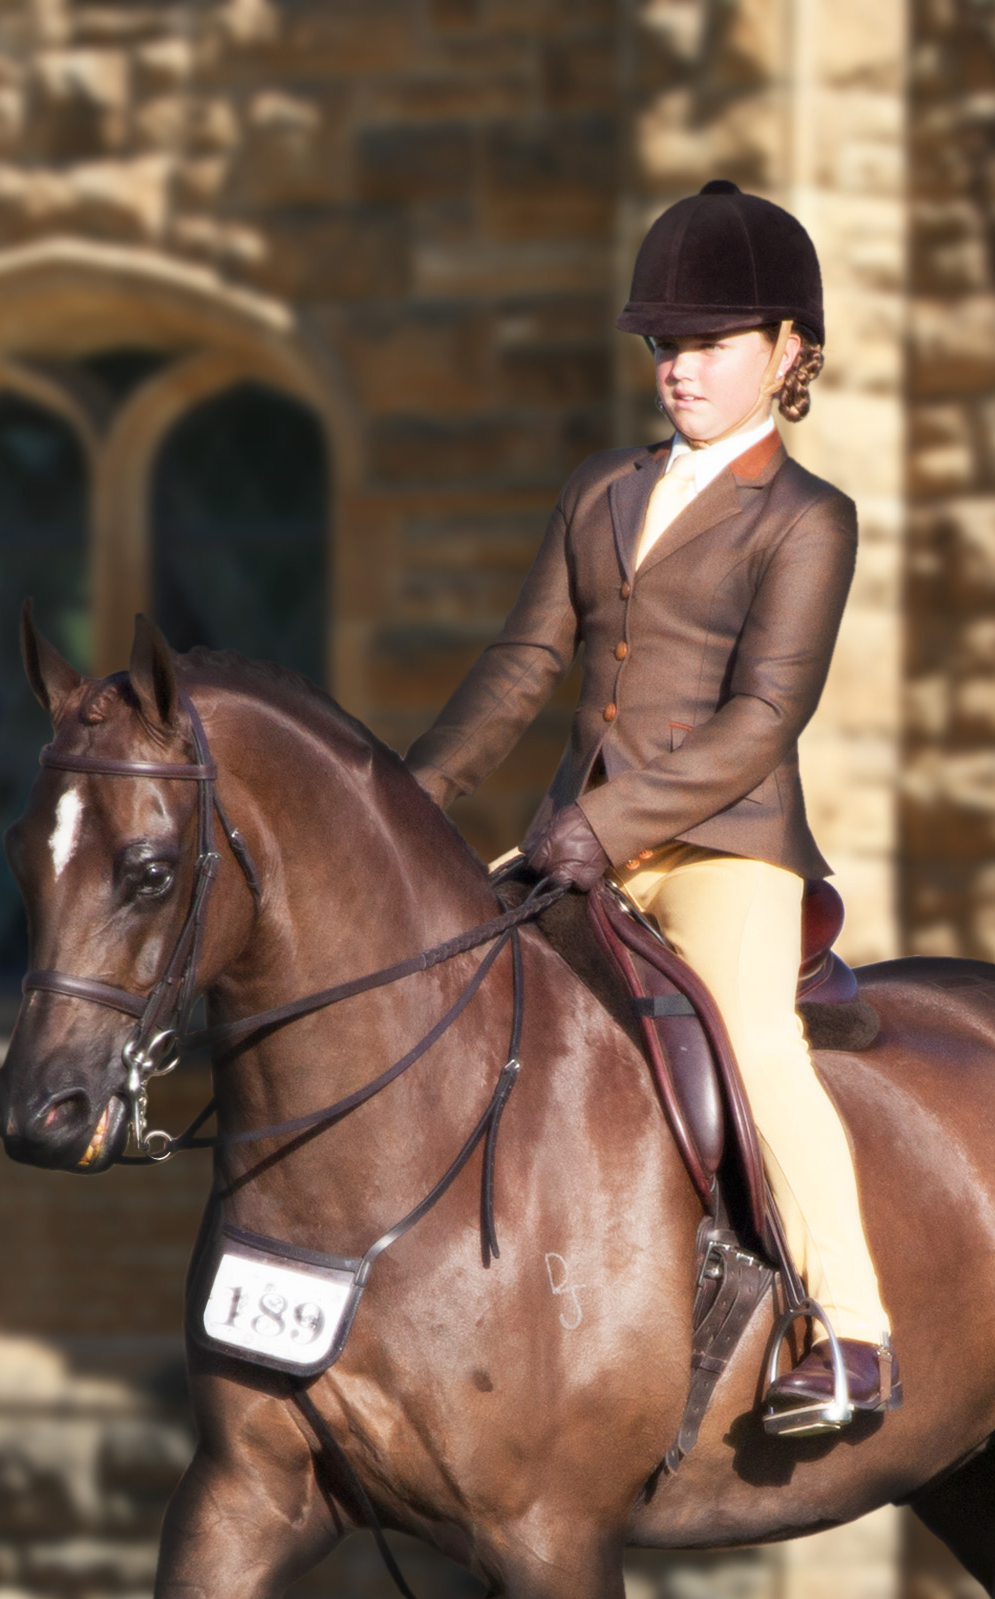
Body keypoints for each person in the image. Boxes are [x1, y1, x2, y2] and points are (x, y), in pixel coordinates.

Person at [403, 180, 896, 1435]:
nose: (679, 371)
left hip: (725, 846)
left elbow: (762, 723)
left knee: (754, 1039)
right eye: (666, 348)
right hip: (579, 835)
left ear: (790, 353)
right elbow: (524, 664)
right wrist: (415, 795)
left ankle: (851, 1333)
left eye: (709, 347)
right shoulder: (600, 489)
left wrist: (607, 828)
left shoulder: (808, 520)